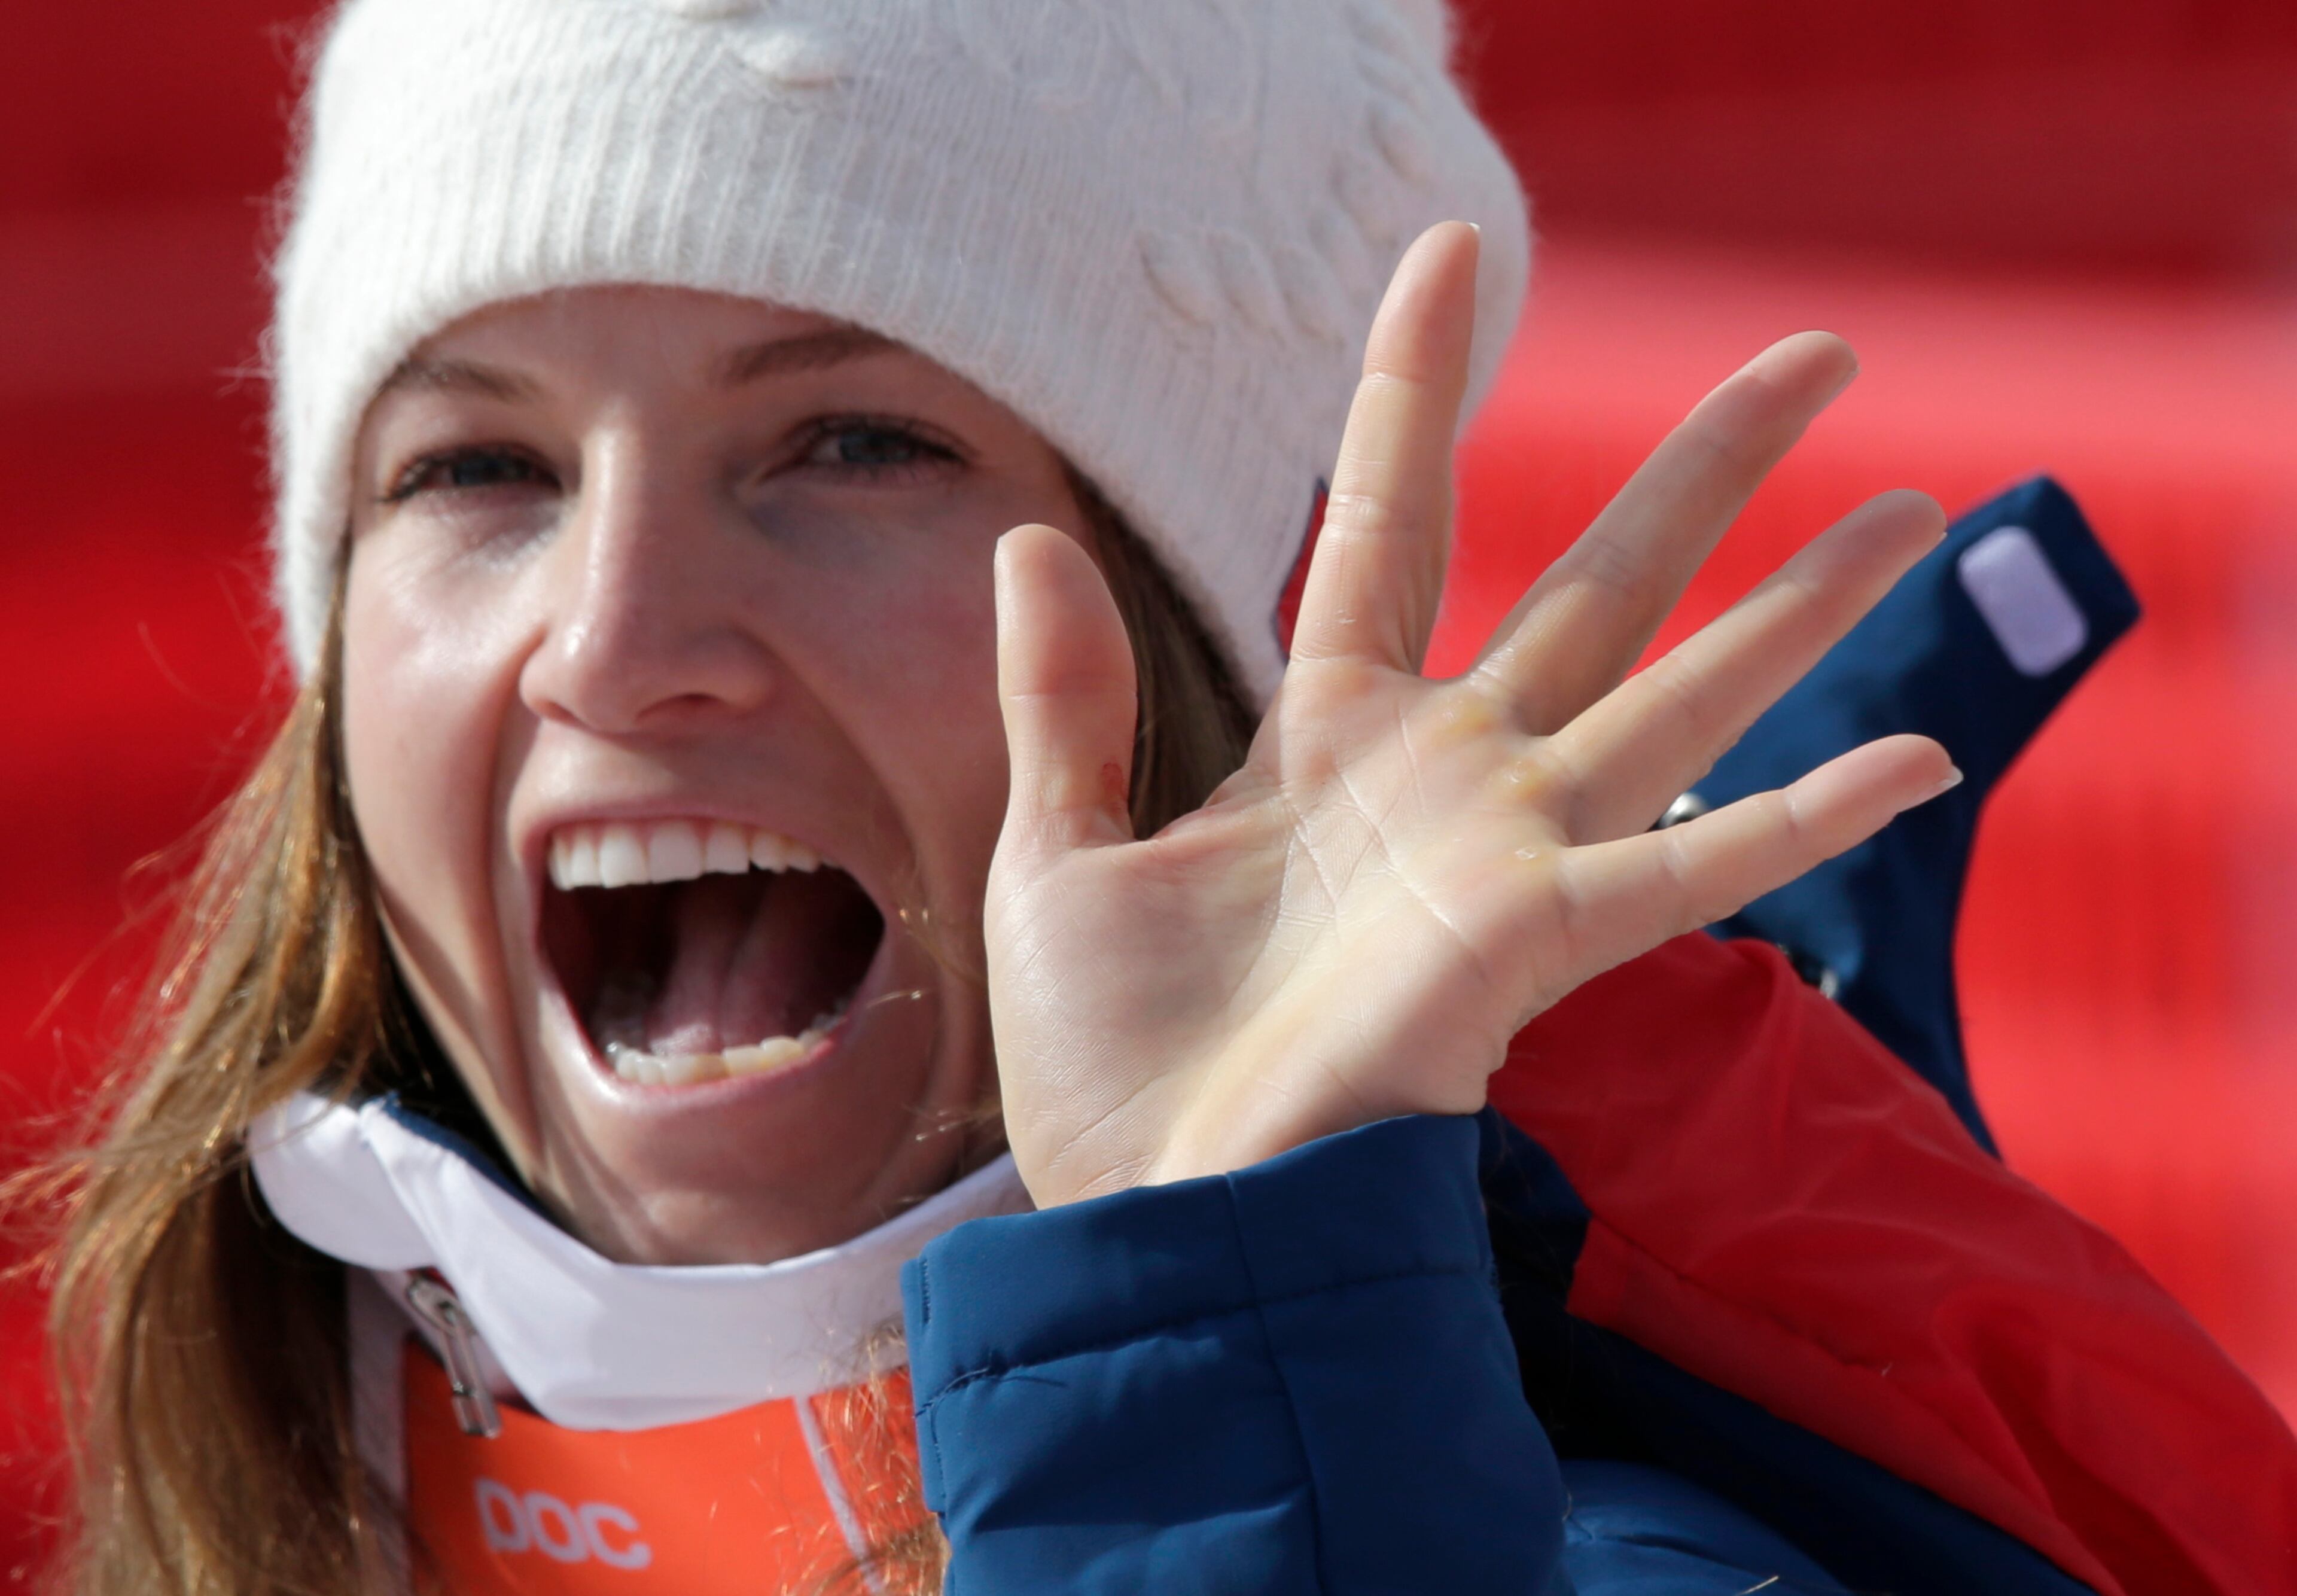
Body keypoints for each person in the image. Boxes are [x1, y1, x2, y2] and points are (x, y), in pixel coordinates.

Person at [39, 1, 2297, 1592]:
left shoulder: (1619, 1537)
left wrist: (1218, 1339)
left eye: (855, 442)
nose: (622, 635)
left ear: (1202, 662)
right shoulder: (284, 1439)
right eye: (478, 467)